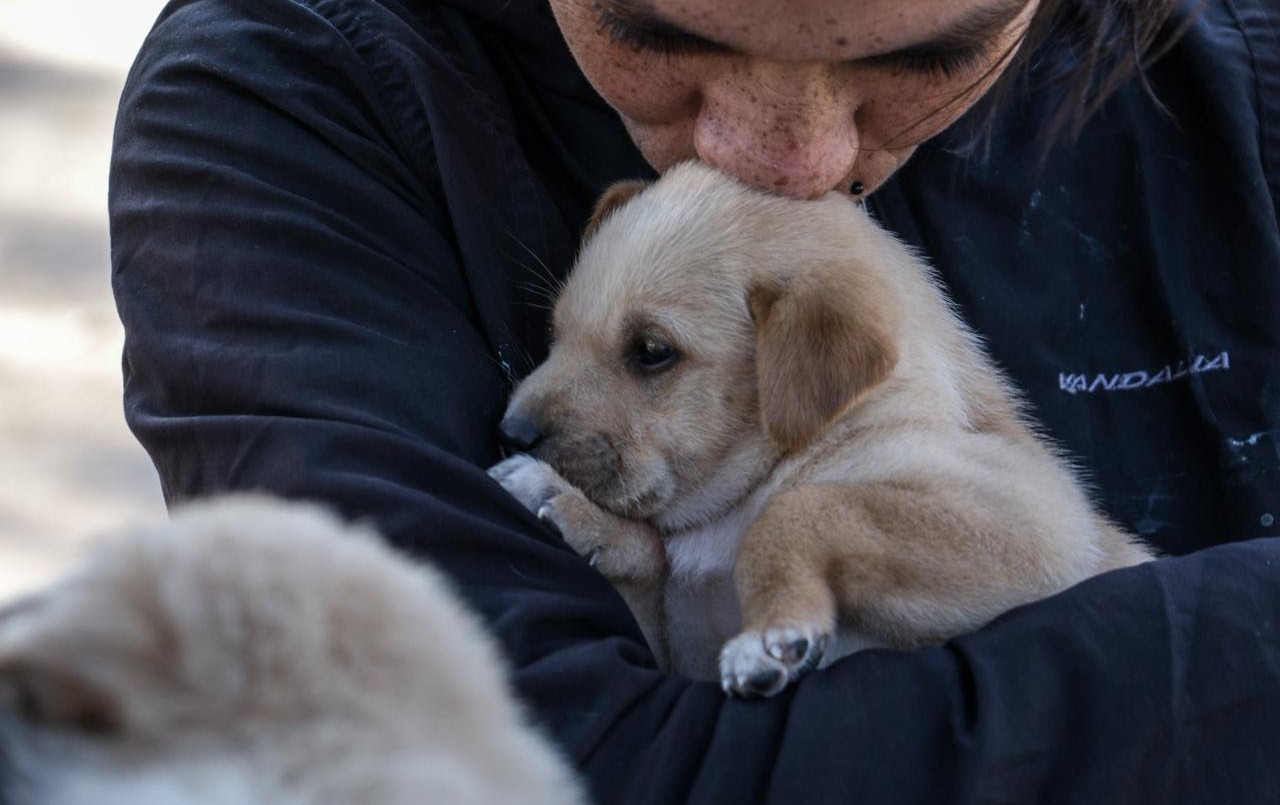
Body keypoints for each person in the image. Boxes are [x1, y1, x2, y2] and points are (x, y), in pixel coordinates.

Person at [109, 0, 1279, 800]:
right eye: (656, 34)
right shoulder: (302, 100)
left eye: (926, 60)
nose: (788, 165)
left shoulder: (1245, 74)